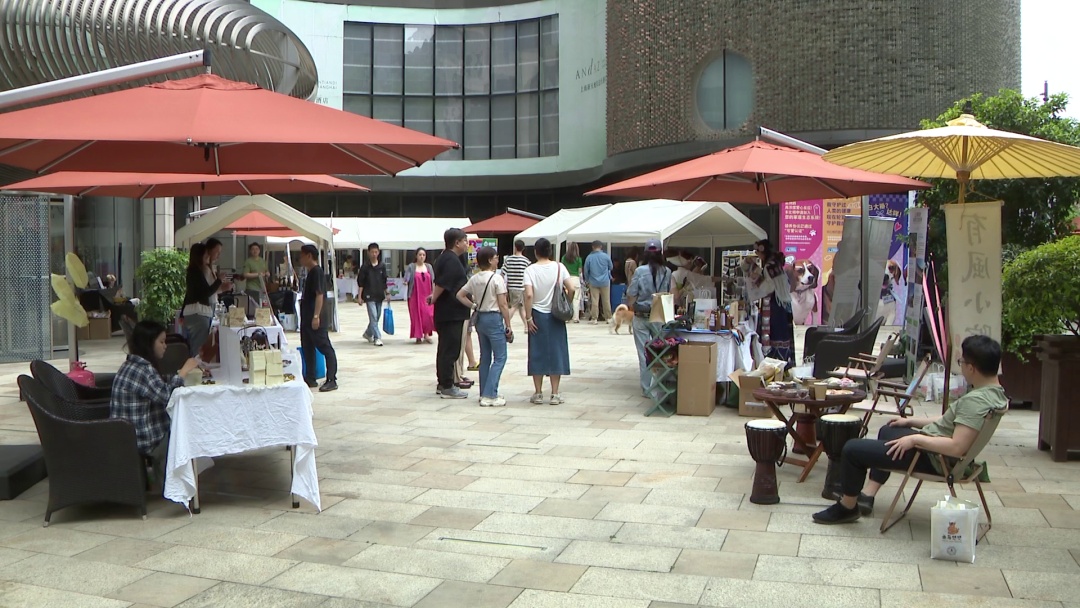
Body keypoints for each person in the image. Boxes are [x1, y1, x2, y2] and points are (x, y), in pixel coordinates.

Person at [813, 335, 1008, 524]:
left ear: (971, 368)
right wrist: (910, 422)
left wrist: (914, 440)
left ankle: (847, 507)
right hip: (934, 450)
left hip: (934, 458)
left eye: (962, 362)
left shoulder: (975, 402)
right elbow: (950, 420)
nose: (961, 366)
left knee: (852, 449)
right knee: (889, 430)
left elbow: (956, 447)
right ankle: (868, 495)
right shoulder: (995, 393)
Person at [110, 320, 200, 485]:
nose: (165, 346)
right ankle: (175, 484)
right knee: (184, 432)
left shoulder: (133, 365)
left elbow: (158, 383)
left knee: (181, 425)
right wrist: (184, 372)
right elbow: (166, 396)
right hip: (142, 437)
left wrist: (178, 375)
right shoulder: (143, 370)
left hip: (126, 434)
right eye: (161, 342)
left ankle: (175, 480)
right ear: (148, 344)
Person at [457, 246, 513, 407]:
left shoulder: (475, 278)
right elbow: (503, 304)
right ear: (489, 260)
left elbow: (460, 294)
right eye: (496, 257)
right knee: (500, 357)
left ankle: (484, 392)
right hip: (494, 317)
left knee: (485, 357)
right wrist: (508, 324)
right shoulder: (497, 279)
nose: (497, 260)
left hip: (481, 317)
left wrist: (473, 305)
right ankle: (490, 394)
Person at [523, 237, 575, 405]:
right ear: (550, 251)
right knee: (556, 352)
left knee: (537, 352)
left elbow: (529, 295)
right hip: (555, 315)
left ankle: (538, 393)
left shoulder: (530, 270)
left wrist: (528, 317)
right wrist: (566, 302)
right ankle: (555, 393)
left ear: (535, 252)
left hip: (537, 314)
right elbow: (572, 288)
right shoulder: (559, 267)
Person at [429, 228, 472, 399]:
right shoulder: (450, 260)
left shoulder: (446, 257)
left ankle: (443, 383)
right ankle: (447, 385)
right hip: (451, 312)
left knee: (446, 348)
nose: (467, 244)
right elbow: (442, 283)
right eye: (465, 241)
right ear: (457, 243)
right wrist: (433, 298)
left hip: (449, 311)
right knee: (450, 349)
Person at [626, 240, 671, 398]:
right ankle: (659, 385)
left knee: (643, 353)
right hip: (659, 314)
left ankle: (647, 389)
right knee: (660, 351)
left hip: (641, 315)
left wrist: (632, 304)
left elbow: (631, 293)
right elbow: (668, 292)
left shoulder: (640, 271)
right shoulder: (667, 271)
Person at [299, 244, 338, 392]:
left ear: (309, 256)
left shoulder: (317, 272)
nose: (300, 258)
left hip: (315, 317)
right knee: (307, 348)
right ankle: (310, 377)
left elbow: (319, 294)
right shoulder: (310, 273)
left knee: (324, 347)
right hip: (306, 318)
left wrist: (316, 316)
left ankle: (332, 379)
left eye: (302, 255)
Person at [182, 243, 230, 358]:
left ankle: (196, 365)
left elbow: (190, 294)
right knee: (198, 347)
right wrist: (219, 280)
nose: (207, 258)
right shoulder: (197, 272)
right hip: (199, 312)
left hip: (193, 312)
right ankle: (196, 366)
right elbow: (206, 292)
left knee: (195, 345)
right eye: (205, 255)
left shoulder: (193, 271)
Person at [753, 239, 796, 368]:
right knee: (784, 334)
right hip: (784, 303)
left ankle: (775, 363)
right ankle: (785, 362)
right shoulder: (775, 264)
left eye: (758, 252)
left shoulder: (769, 266)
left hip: (776, 304)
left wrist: (757, 279)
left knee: (776, 334)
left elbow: (769, 287)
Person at [357, 242, 387, 347]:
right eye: (372, 252)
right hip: (369, 295)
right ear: (368, 253)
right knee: (373, 316)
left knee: (377, 316)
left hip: (379, 294)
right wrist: (359, 296)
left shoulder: (382, 266)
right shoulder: (365, 267)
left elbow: (384, 281)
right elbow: (361, 282)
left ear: (378, 252)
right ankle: (377, 337)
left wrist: (387, 292)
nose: (374, 254)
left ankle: (368, 333)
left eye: (376, 252)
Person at [405, 247, 436, 344]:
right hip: (415, 295)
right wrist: (406, 280)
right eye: (420, 255)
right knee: (417, 315)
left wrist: (434, 293)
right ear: (416, 256)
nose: (422, 257)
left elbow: (433, 281)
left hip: (427, 295)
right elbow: (407, 278)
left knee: (428, 315)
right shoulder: (411, 267)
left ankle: (426, 333)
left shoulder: (429, 267)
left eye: (423, 255)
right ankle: (418, 335)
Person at [502, 240, 531, 330]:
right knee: (515, 307)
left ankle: (526, 326)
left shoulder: (508, 260)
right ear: (523, 248)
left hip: (511, 287)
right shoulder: (526, 261)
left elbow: (502, 273)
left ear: (515, 247)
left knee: (520, 307)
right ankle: (505, 324)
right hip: (521, 287)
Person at [583, 240, 613, 325]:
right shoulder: (606, 256)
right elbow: (611, 267)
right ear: (601, 246)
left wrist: (587, 280)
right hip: (605, 281)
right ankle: (608, 318)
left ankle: (594, 318)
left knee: (594, 301)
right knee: (606, 300)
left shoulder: (589, 257)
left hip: (593, 281)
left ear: (593, 247)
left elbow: (586, 270)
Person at [242, 242, 269, 316]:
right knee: (254, 310)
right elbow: (245, 274)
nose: (255, 251)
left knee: (262, 308)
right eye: (253, 249)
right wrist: (258, 274)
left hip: (262, 289)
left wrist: (267, 274)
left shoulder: (262, 261)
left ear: (259, 250)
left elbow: (266, 271)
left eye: (257, 249)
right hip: (252, 289)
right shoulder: (248, 262)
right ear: (250, 251)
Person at [561, 242, 584, 323]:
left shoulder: (564, 258)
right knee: (576, 299)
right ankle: (575, 317)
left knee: (566, 299)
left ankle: (566, 317)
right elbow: (580, 271)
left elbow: (562, 268)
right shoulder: (578, 259)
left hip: (566, 279)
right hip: (576, 279)